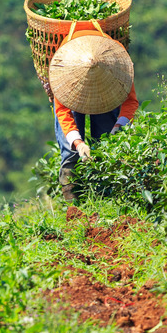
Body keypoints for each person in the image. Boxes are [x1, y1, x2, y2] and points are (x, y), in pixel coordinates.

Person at [48, 26, 139, 202]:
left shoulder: (118, 66)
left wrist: (118, 126)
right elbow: (62, 111)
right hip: (74, 78)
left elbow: (131, 101)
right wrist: (78, 143)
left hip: (106, 93)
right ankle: (73, 206)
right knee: (71, 153)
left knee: (107, 145)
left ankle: (106, 199)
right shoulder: (63, 71)